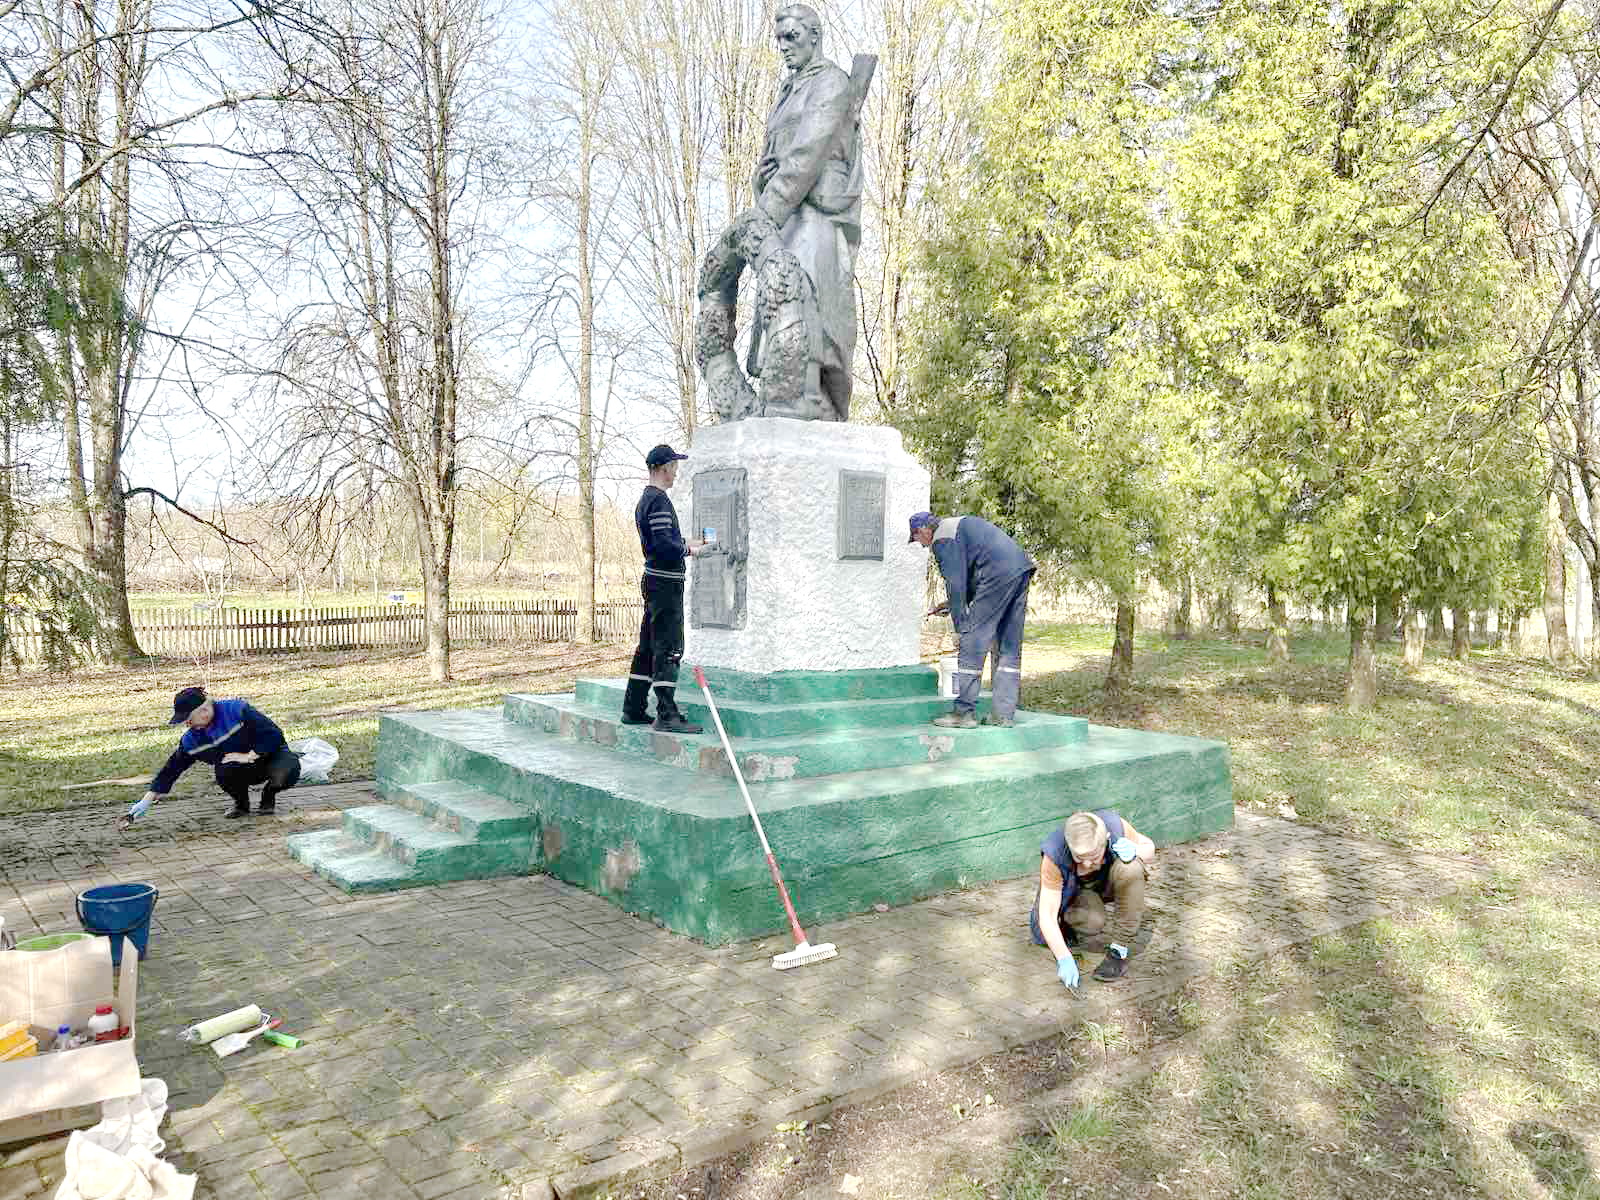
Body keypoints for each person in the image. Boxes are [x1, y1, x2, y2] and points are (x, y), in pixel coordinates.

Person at [749, 3, 864, 421]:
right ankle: (786, 389)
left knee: (810, 295)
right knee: (780, 299)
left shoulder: (831, 82)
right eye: (779, 39)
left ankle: (811, 393)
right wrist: (761, 179)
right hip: (785, 212)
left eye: (791, 37)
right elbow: (775, 157)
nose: (784, 46)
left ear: (814, 36)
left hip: (816, 210)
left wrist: (765, 213)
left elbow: (807, 154)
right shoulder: (787, 92)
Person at [908, 511, 1036, 728]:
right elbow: (970, 574)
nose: (921, 545)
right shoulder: (955, 528)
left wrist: (960, 628)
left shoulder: (942, 538)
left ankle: (963, 713)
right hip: (1019, 569)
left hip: (996, 574)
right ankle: (1003, 714)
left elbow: (955, 583)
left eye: (917, 538)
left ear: (923, 530)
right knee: (1009, 646)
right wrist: (951, 605)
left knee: (971, 639)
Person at [622, 444, 706, 735]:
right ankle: (667, 713)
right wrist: (691, 550)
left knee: (647, 646)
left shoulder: (647, 500)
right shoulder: (658, 501)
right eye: (674, 467)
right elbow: (664, 546)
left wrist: (690, 542)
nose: (676, 473)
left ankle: (633, 708)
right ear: (663, 468)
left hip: (654, 580)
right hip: (665, 584)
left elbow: (663, 539)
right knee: (669, 647)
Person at [126, 686, 301, 823]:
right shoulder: (192, 739)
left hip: (271, 757)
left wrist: (249, 755)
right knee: (224, 770)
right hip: (242, 769)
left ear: (204, 711)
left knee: (289, 768)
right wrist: (147, 800)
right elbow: (172, 769)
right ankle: (241, 805)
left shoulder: (236, 710)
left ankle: (269, 795)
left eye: (189, 718)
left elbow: (274, 735)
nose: (187, 723)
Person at [1030, 809, 1156, 986]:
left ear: (1106, 839)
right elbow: (1047, 914)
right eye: (1079, 858)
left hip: (1105, 883)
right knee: (1090, 922)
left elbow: (1150, 848)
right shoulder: (1055, 852)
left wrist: (1136, 850)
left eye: (1094, 856)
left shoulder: (1115, 826)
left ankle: (1119, 950)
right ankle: (1068, 924)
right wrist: (1064, 958)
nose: (1088, 864)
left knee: (1131, 868)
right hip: (1074, 891)